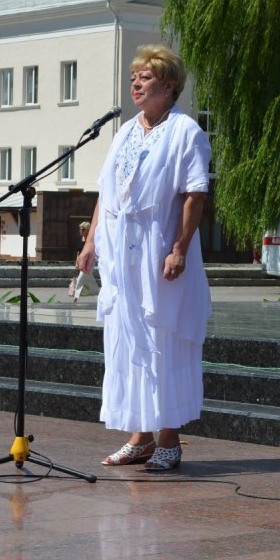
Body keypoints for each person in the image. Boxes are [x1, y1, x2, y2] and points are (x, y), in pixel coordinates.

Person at [77, 44, 211, 472]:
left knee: (162, 339)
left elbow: (195, 193)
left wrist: (179, 248)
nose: (135, 83)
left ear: (169, 86)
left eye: (145, 77)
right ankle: (140, 438)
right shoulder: (125, 132)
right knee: (126, 340)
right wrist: (91, 242)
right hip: (121, 258)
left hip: (157, 251)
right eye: (133, 76)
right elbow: (107, 194)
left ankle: (169, 438)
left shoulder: (185, 130)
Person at [72, 222, 99, 302]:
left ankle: (75, 298)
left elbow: (93, 251)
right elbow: (78, 252)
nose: (81, 231)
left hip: (89, 261)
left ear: (87, 230)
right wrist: (77, 262)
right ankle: (98, 293)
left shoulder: (90, 240)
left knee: (80, 278)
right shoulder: (81, 239)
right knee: (89, 279)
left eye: (83, 229)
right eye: (80, 229)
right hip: (81, 261)